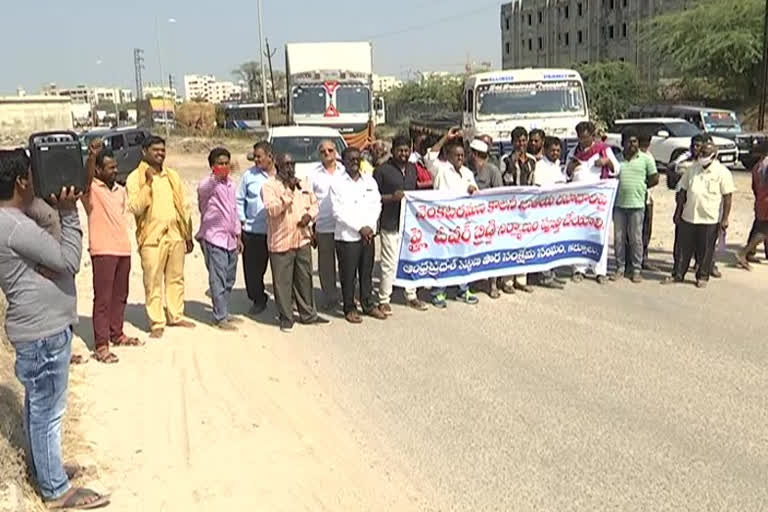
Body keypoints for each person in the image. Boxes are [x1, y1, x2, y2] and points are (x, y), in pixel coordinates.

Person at [0, 149, 110, 509]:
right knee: (49, 411)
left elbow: (46, 237)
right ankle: (55, 491)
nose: (40, 180)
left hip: (36, 328)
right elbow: (67, 260)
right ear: (21, 181)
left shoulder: (12, 217)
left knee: (39, 406)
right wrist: (68, 213)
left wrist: (50, 204)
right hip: (43, 332)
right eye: (35, 174)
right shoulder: (15, 226)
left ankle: (44, 469)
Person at [127, 136, 195, 339]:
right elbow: (135, 207)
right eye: (155, 150)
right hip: (152, 238)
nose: (160, 153)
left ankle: (175, 315)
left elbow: (184, 206)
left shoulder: (172, 176)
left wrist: (187, 234)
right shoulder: (135, 178)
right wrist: (147, 183)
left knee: (176, 278)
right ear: (144, 152)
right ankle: (156, 321)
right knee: (153, 280)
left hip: (175, 235)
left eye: (162, 150)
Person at [83, 149, 141, 364]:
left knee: (120, 296)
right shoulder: (90, 189)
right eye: (110, 168)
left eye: (116, 167)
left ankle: (117, 333)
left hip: (122, 249)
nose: (115, 171)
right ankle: (101, 344)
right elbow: (85, 179)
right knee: (103, 300)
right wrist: (90, 157)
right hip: (103, 250)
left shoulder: (120, 190)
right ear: (98, 169)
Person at [263, 153, 329, 332]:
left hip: (302, 239)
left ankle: (308, 314)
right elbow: (272, 210)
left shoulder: (303, 183)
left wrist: (310, 216)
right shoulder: (269, 186)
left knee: (304, 279)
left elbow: (314, 204)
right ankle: (286, 317)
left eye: (292, 164)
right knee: (283, 282)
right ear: (277, 166)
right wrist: (288, 192)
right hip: (281, 242)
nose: (289, 168)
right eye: (285, 165)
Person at [664, 142, 734, 288]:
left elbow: (727, 196)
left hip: (709, 218)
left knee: (705, 250)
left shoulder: (722, 172)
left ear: (714, 156)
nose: (701, 156)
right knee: (683, 248)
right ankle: (678, 274)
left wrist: (725, 218)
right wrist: (678, 212)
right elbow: (682, 190)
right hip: (689, 215)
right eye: (700, 153)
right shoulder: (692, 169)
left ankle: (702, 276)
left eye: (705, 154)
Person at [331, 147, 387, 323]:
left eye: (357, 159)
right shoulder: (337, 183)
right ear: (343, 161)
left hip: (368, 235)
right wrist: (359, 228)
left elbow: (376, 204)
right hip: (348, 237)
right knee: (348, 275)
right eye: (351, 159)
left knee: (366, 272)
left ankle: (368, 304)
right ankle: (349, 308)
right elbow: (338, 212)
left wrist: (370, 227)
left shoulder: (369, 181)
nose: (355, 162)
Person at [374, 135, 429, 313]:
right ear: (393, 151)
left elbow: (421, 187)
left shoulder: (413, 168)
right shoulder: (382, 170)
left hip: (410, 225)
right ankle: (384, 299)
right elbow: (373, 198)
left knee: (411, 260)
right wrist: (391, 197)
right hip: (390, 223)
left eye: (406, 150)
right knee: (389, 263)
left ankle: (411, 296)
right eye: (400, 150)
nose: (404, 154)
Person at [565, 121, 619, 284]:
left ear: (592, 136)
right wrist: (570, 168)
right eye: (581, 138)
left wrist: (606, 162)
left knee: (598, 234)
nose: (583, 141)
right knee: (579, 233)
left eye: (586, 138)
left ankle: (599, 270)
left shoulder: (603, 150)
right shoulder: (574, 152)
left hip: (598, 202)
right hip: (579, 202)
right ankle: (579, 269)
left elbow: (616, 169)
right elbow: (566, 175)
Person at [197, 147, 243, 330]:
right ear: (212, 166)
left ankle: (223, 309)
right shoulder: (207, 185)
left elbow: (233, 211)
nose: (224, 167)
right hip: (214, 238)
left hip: (230, 239)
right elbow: (203, 188)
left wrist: (238, 236)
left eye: (226, 163)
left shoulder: (231, 185)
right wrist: (216, 177)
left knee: (230, 278)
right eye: (220, 164)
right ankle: (220, 317)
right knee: (218, 278)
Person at [431, 141, 480, 307]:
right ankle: (439, 292)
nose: (460, 158)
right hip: (446, 222)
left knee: (463, 256)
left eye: (462, 155)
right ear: (449, 156)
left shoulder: (467, 172)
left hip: (464, 223)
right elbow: (442, 197)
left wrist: (473, 188)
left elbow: (475, 191)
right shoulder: (442, 171)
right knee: (444, 257)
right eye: (456, 155)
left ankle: (463, 289)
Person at [611, 131, 659, 283]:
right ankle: (620, 268)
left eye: (635, 141)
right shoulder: (616, 160)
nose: (632, 145)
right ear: (622, 143)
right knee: (619, 238)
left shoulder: (646, 159)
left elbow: (654, 178)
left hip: (637, 205)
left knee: (636, 239)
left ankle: (636, 269)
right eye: (629, 142)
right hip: (619, 206)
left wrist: (641, 188)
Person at [237, 141, 275, 316]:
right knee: (253, 272)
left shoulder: (280, 175)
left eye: (259, 156)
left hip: (276, 232)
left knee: (281, 271)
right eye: (255, 157)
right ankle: (259, 299)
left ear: (270, 156)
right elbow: (239, 199)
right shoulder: (249, 176)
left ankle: (287, 301)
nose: (256, 160)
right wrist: (242, 220)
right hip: (253, 232)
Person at [309, 139, 345, 311]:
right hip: (323, 226)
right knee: (326, 265)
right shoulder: (313, 175)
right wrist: (311, 227)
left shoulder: (345, 172)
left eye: (330, 150)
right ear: (319, 154)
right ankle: (330, 297)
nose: (327, 154)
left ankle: (348, 295)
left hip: (345, 225)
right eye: (323, 151)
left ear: (336, 152)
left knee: (347, 263)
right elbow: (309, 200)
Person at [467, 138, 505, 298]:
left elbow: (499, 194)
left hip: (490, 218)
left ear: (474, 154)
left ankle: (493, 284)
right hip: (473, 219)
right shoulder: (468, 171)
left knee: (491, 252)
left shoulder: (492, 171)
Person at [500, 127, 535, 294]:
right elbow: (501, 182)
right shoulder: (505, 160)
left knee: (524, 243)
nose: (521, 144)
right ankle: (507, 281)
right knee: (509, 243)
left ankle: (521, 279)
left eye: (524, 140)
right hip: (509, 209)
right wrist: (512, 163)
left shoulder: (532, 161)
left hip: (526, 209)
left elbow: (534, 183)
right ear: (512, 142)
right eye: (518, 141)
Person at [532, 136, 567, 290]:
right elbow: (540, 188)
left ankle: (552, 273)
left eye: (558, 150)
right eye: (552, 150)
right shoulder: (540, 166)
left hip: (557, 212)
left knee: (555, 244)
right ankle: (545, 276)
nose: (555, 153)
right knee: (545, 244)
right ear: (545, 150)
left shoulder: (557, 166)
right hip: (544, 212)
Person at [737, 150, 768, 270]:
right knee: (763, 231)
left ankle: (749, 253)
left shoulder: (758, 165)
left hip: (761, 200)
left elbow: (754, 187)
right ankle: (743, 253)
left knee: (759, 227)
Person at [637, 135, 660, 271]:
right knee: (634, 233)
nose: (645, 147)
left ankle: (644, 258)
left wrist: (644, 187)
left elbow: (654, 178)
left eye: (647, 144)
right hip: (634, 201)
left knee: (646, 231)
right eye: (643, 144)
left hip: (646, 199)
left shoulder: (649, 157)